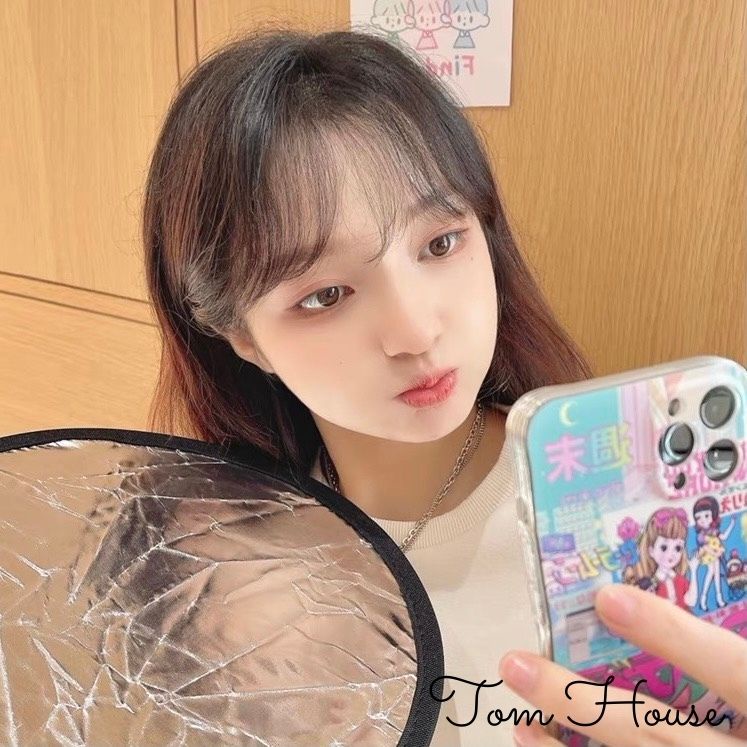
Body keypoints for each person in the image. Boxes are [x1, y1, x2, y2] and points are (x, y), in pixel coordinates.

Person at [141, 27, 747, 747]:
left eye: (439, 243)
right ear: (240, 335)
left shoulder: (646, 516)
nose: (415, 330)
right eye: (325, 294)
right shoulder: (221, 575)